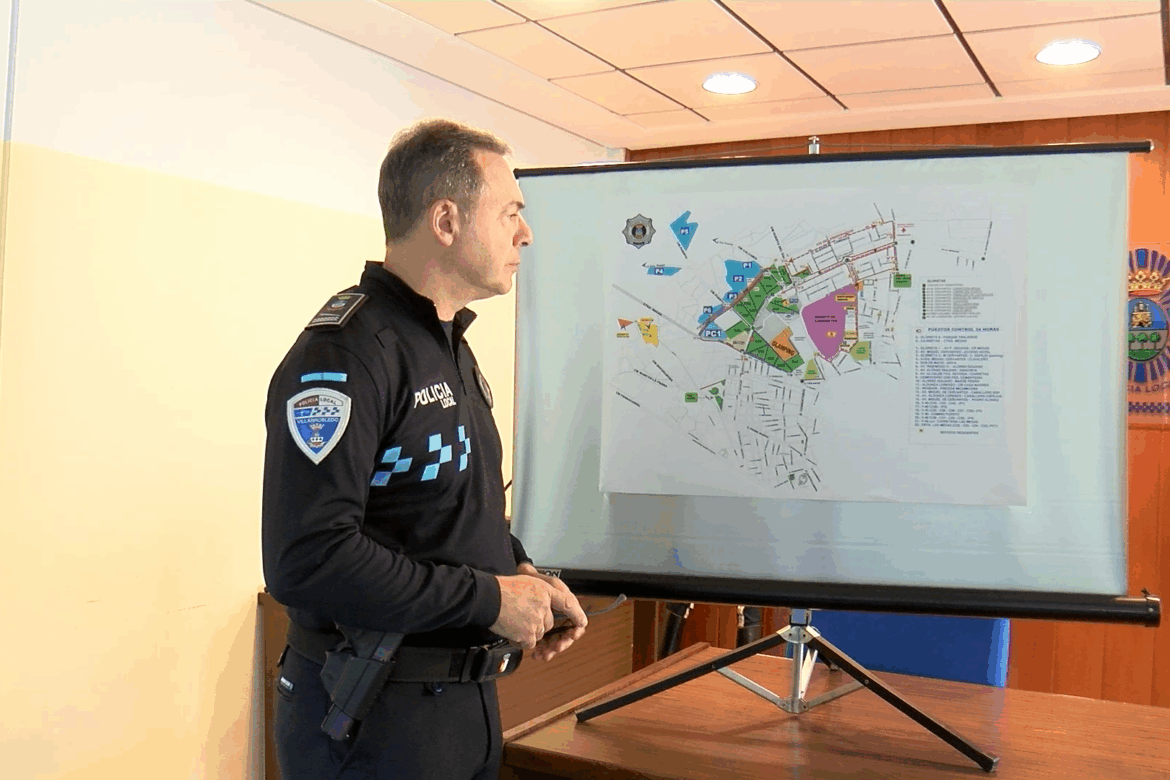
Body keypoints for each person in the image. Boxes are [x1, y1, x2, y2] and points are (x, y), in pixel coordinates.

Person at [261, 118, 588, 780]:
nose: (525, 233)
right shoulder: (347, 354)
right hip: (371, 718)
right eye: (510, 213)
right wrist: (489, 599)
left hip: (458, 707)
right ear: (446, 220)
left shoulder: (446, 346)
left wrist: (521, 573)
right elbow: (308, 558)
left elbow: (441, 511)